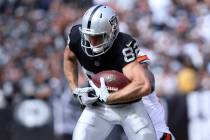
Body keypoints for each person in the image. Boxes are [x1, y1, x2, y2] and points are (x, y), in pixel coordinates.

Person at [64, 5, 157, 140]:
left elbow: (145, 85)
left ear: (112, 32)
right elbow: (69, 58)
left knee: (145, 137)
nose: (92, 42)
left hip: (130, 106)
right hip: (99, 106)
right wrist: (75, 89)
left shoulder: (123, 46)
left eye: (98, 37)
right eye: (89, 36)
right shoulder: (77, 37)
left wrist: (110, 97)